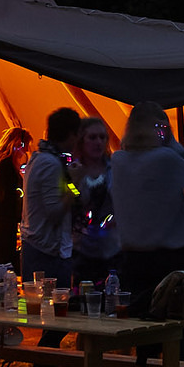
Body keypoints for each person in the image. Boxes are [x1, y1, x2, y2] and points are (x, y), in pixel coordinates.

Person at [109, 102, 184, 335]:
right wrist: (172, 142)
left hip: (133, 258)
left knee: (144, 330)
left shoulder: (118, 161)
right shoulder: (166, 158)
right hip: (170, 258)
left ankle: (147, 359)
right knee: (180, 329)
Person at [19, 110, 83, 347]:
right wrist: (75, 183)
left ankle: (47, 364)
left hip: (44, 247)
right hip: (47, 251)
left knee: (55, 320)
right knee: (58, 317)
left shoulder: (43, 159)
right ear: (71, 134)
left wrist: (74, 185)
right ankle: (44, 361)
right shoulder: (50, 164)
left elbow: (72, 194)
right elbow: (54, 211)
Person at [71, 116, 119, 289]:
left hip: (112, 250)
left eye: (102, 137)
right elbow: (68, 201)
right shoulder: (73, 171)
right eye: (92, 137)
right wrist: (75, 184)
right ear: (81, 141)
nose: (98, 142)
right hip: (80, 250)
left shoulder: (115, 169)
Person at [0, 126, 32, 268]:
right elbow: (7, 198)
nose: (26, 150)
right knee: (4, 268)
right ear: (18, 143)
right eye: (25, 146)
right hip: (2, 227)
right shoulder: (6, 166)